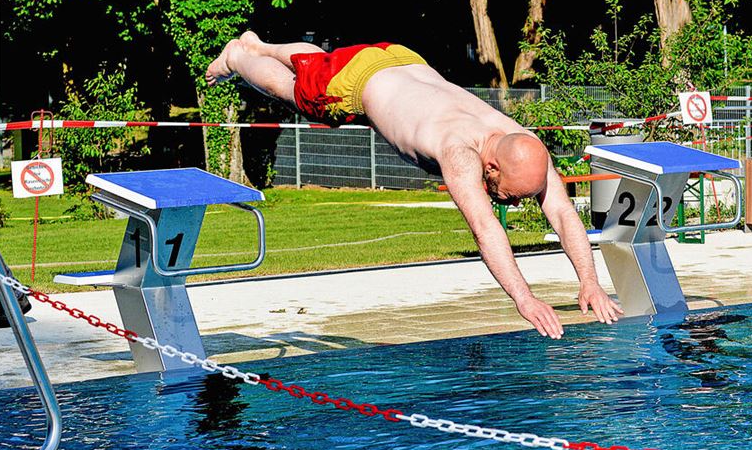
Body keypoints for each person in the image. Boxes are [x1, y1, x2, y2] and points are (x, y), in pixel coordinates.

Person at [205, 32, 623, 338]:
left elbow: (563, 213)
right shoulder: (459, 152)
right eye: (510, 196)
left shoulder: (523, 143)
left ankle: (259, 44)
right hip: (359, 83)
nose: (511, 204)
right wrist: (525, 299)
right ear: (492, 166)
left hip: (403, 58)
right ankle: (239, 57)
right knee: (297, 92)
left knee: (320, 62)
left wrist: (590, 281)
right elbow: (486, 229)